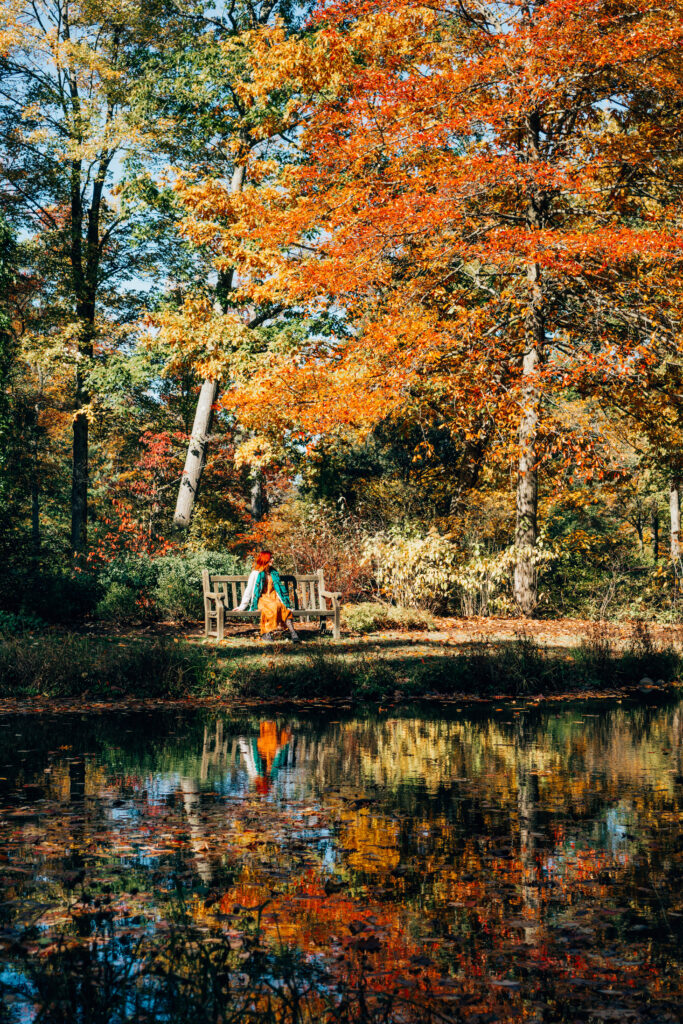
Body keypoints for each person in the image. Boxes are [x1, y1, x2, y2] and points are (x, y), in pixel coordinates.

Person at [238, 550, 301, 642]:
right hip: (262, 599)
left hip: (273, 597)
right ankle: (265, 633)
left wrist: (286, 603)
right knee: (271, 607)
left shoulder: (274, 573)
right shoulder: (256, 573)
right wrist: (242, 606)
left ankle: (293, 633)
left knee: (283, 608)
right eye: (271, 558)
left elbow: (279, 590)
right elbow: (249, 590)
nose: (273, 559)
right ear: (265, 559)